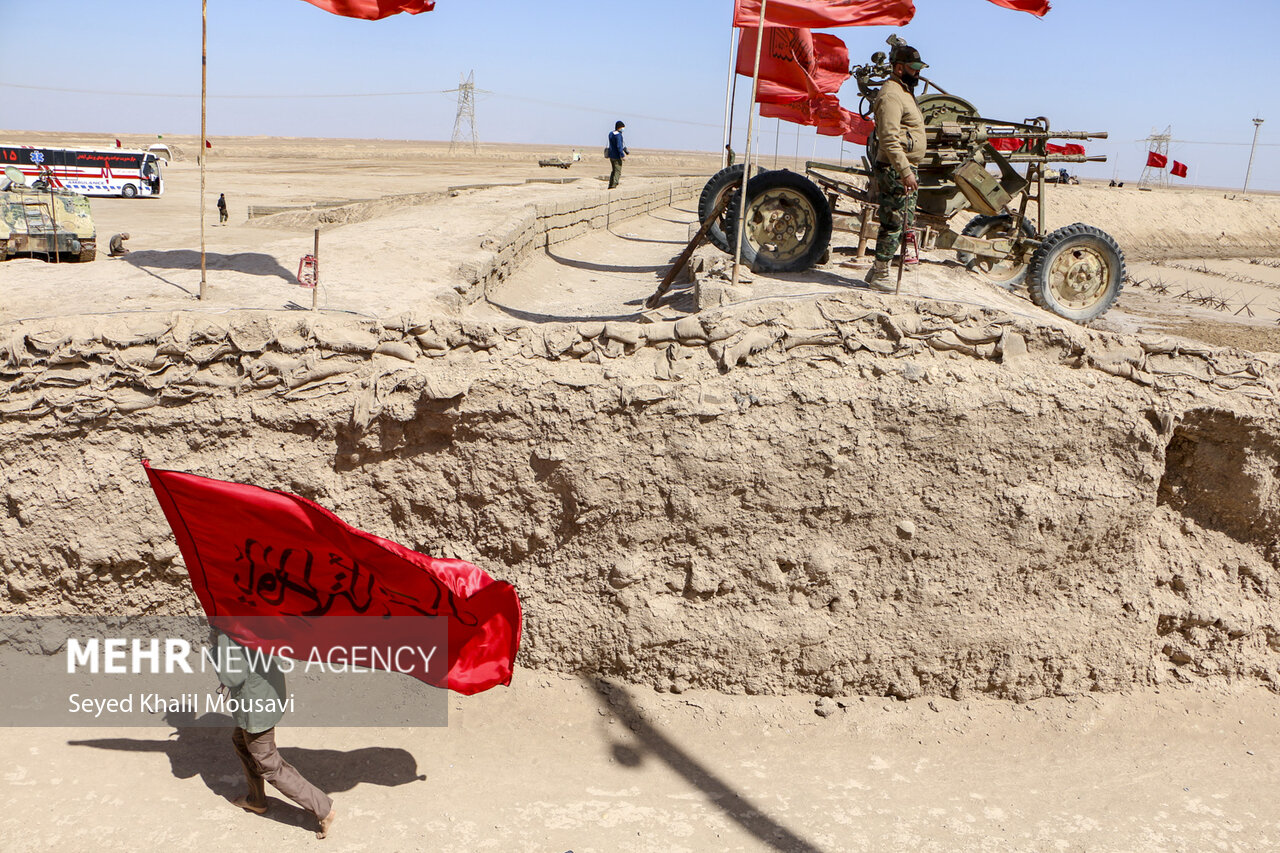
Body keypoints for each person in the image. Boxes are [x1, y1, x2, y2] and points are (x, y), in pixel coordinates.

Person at [212, 630, 337, 839]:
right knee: (241, 742)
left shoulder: (229, 626)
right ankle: (256, 800)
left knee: (268, 764)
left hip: (255, 704)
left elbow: (231, 676)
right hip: (268, 690)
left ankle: (323, 809)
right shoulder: (261, 611)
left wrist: (216, 645)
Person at [866, 44, 927, 291]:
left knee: (902, 220)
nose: (917, 74)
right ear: (899, 68)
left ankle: (877, 270)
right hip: (894, 169)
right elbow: (889, 138)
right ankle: (881, 275)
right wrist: (905, 171)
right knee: (894, 222)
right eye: (913, 69)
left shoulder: (903, 92)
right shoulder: (891, 95)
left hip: (902, 168)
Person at [607, 120, 628, 189]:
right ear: (619, 127)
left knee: (613, 170)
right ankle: (614, 185)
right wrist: (622, 155)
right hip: (616, 156)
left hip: (611, 155)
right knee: (617, 171)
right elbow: (619, 146)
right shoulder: (618, 135)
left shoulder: (611, 133)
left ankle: (610, 184)